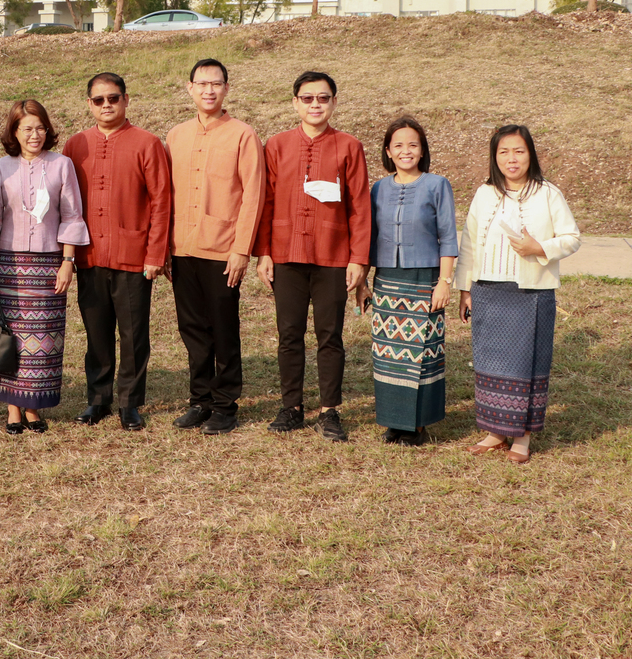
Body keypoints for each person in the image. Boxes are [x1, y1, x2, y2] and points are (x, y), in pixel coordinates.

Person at [254, 71, 371, 442]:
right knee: (289, 333)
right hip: (286, 253)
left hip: (332, 255)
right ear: (295, 103)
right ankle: (291, 407)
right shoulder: (276, 145)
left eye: (323, 98)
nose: (315, 105)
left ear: (334, 102)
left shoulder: (349, 146)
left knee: (329, 334)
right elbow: (266, 202)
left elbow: (360, 208)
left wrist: (358, 260)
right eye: (307, 98)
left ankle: (329, 410)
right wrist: (265, 252)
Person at [456, 125, 580, 465]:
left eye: (519, 151)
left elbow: (572, 237)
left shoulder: (548, 193)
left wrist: (538, 247)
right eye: (504, 152)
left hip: (531, 294)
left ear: (531, 154)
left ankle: (521, 438)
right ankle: (495, 432)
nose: (512, 159)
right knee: (489, 363)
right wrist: (465, 289)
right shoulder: (484, 193)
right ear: (494, 157)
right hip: (488, 292)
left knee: (526, 365)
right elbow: (468, 242)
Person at [64, 72, 172, 431]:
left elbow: (161, 201)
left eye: (113, 98)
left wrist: (156, 254)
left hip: (133, 254)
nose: (107, 105)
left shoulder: (147, 143)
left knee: (133, 332)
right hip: (89, 254)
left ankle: (130, 402)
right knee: (96, 332)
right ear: (89, 104)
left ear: (126, 100)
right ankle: (98, 399)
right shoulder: (76, 145)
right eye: (99, 100)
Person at [165, 59, 265, 436]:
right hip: (182, 247)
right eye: (202, 83)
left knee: (224, 328)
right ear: (189, 88)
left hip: (223, 249)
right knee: (192, 328)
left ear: (226, 88)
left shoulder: (242, 135)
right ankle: (200, 400)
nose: (209, 90)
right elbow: (166, 195)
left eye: (216, 83)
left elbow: (253, 194)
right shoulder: (176, 135)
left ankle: (225, 404)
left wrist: (242, 250)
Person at [0, 99, 89, 433]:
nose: (35, 134)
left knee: (42, 340)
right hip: (9, 265)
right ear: (14, 131)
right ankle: (14, 407)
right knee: (11, 338)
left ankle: (34, 407)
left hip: (48, 266)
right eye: (27, 128)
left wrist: (68, 262)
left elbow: (72, 215)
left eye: (40, 127)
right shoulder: (1, 168)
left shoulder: (62, 165)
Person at [354, 116, 458, 446]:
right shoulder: (379, 189)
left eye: (413, 144)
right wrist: (363, 282)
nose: (406, 151)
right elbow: (369, 238)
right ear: (388, 151)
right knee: (390, 353)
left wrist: (444, 282)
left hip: (424, 280)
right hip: (387, 281)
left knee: (422, 352)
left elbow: (448, 238)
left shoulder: (437, 184)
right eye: (398, 145)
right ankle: (393, 421)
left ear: (423, 149)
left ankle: (417, 425)